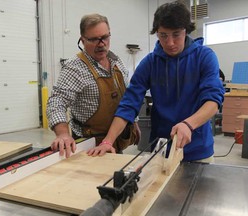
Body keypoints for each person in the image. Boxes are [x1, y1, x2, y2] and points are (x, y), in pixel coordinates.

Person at [87, 1, 225, 163]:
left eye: (176, 34)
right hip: (161, 149)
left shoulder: (204, 57)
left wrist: (188, 125)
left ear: (186, 31)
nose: (170, 42)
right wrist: (108, 141)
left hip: (198, 149)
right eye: (163, 35)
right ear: (157, 33)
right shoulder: (150, 63)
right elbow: (128, 105)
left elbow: (213, 100)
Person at [47, 13, 139, 158]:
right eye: (94, 39)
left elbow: (128, 97)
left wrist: (133, 121)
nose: (101, 44)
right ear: (82, 40)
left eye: (105, 37)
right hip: (89, 147)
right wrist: (63, 133)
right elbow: (56, 101)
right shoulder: (74, 68)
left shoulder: (116, 61)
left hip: (115, 140)